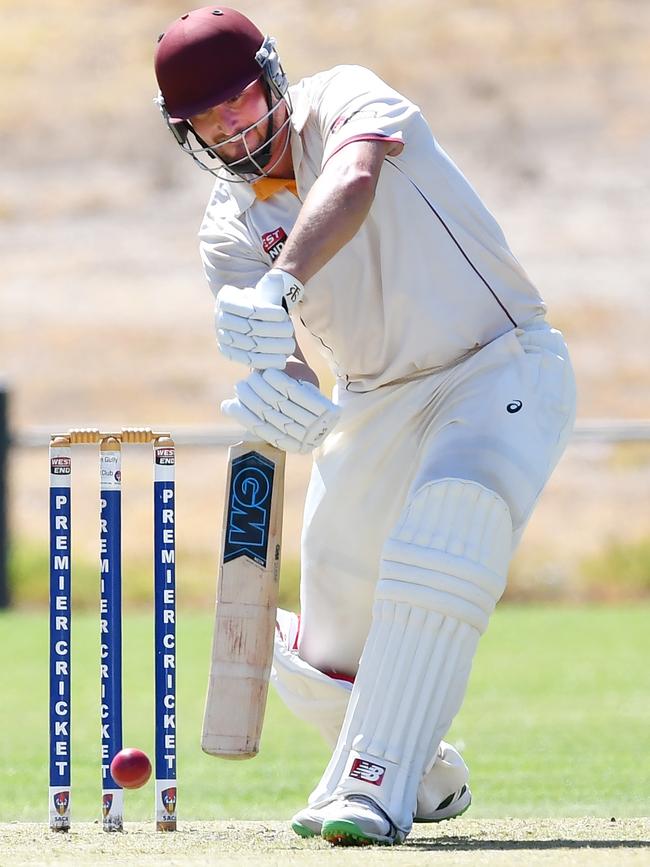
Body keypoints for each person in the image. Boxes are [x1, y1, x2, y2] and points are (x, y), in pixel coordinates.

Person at [154, 6, 576, 846]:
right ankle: (426, 773)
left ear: (270, 76)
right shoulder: (226, 223)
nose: (233, 124)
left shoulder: (345, 97)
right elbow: (284, 358)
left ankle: (373, 784)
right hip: (373, 399)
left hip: (496, 363)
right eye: (210, 117)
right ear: (187, 131)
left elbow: (351, 185)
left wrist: (281, 282)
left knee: (444, 529)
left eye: (240, 98)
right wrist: (286, 394)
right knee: (317, 646)